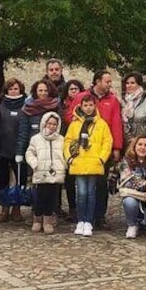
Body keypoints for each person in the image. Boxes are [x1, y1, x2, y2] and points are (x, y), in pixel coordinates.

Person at [70, 70, 124, 229]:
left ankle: (99, 216)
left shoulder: (113, 100)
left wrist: (117, 147)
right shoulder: (82, 97)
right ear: (97, 82)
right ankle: (83, 216)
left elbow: (116, 122)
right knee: (82, 187)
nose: (110, 85)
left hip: (102, 149)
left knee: (101, 185)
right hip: (83, 151)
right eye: (107, 81)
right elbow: (70, 115)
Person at [64, 95, 113, 237]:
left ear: (94, 106)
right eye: (85, 105)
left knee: (91, 193)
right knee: (81, 192)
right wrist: (69, 158)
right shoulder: (75, 124)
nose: (88, 108)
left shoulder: (101, 124)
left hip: (94, 163)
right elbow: (68, 142)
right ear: (81, 106)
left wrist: (102, 158)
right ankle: (81, 220)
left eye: (91, 105)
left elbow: (107, 142)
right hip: (79, 162)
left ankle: (89, 221)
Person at [0, 78, 26, 223]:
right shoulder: (0, 107)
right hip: (2, 148)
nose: (13, 91)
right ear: (6, 91)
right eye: (10, 89)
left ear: (21, 90)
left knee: (20, 180)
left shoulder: (26, 107)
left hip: (20, 150)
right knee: (3, 181)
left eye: (16, 88)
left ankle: (17, 208)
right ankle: (4, 207)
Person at [25, 111, 66, 235]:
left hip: (55, 172)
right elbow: (30, 152)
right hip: (40, 171)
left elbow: (65, 154)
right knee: (39, 196)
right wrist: (34, 163)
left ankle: (48, 220)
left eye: (54, 124)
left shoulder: (61, 139)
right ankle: (37, 218)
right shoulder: (36, 139)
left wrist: (63, 165)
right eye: (49, 124)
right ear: (44, 124)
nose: (52, 126)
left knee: (51, 197)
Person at [59, 79, 84, 222]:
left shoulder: (86, 105)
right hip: (67, 143)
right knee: (69, 179)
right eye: (71, 89)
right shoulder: (62, 107)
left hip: (83, 144)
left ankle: (82, 207)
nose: (74, 91)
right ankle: (72, 208)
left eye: (76, 89)